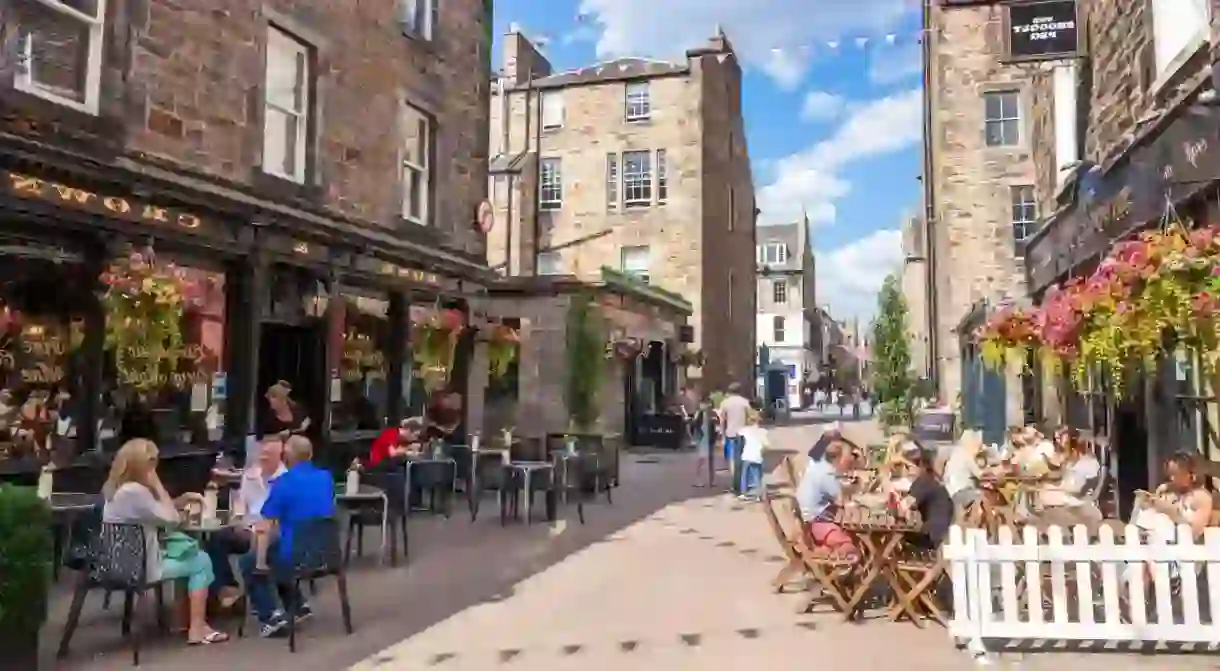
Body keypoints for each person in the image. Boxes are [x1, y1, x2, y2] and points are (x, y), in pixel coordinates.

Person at [102, 439, 229, 645]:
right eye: (152, 463)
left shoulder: (115, 488)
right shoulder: (136, 491)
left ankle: (182, 620)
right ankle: (198, 628)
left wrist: (180, 500)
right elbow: (171, 519)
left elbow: (153, 512)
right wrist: (156, 483)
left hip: (116, 561)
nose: (156, 467)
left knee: (187, 555)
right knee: (201, 560)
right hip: (139, 566)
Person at [239, 436, 335, 637]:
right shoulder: (326, 477)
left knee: (250, 561)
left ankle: (270, 616)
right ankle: (298, 606)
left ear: (287, 456)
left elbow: (265, 525)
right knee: (280, 552)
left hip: (297, 556)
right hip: (327, 553)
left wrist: (260, 561)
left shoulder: (283, 484)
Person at [204, 438, 286, 609]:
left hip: (274, 531)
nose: (264, 458)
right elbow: (242, 503)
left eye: (268, 455)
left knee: (255, 553)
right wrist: (238, 518)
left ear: (280, 456)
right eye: (262, 454)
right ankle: (228, 589)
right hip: (249, 528)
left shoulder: (285, 478)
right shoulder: (250, 476)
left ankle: (265, 605)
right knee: (217, 538)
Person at [794, 439, 860, 559]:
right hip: (816, 525)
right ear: (838, 458)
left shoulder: (819, 467)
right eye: (847, 456)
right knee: (851, 545)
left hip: (808, 521)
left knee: (853, 534)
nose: (849, 459)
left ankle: (828, 554)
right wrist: (854, 488)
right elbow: (842, 501)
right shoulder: (827, 474)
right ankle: (830, 558)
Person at [1035, 432, 1104, 528]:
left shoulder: (1090, 464)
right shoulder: (1071, 460)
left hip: (1078, 503)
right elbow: (1061, 474)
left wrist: (1060, 489)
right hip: (1066, 500)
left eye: (1069, 444)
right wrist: (1044, 477)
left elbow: (1081, 489)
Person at [900, 445, 954, 550]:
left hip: (932, 537)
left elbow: (904, 506)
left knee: (897, 536)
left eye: (908, 467)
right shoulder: (932, 480)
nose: (906, 471)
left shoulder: (923, 482)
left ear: (921, 465)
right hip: (943, 536)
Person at [717, 382, 751, 491]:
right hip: (744, 433)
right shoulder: (745, 402)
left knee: (731, 460)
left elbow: (722, 420)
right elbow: (750, 418)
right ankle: (742, 483)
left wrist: (722, 435)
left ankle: (734, 484)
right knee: (742, 458)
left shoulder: (725, 403)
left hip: (730, 434)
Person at [943, 430, 985, 510]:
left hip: (950, 492)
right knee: (983, 496)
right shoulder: (967, 455)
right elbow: (980, 475)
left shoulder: (954, 453)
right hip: (962, 491)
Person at [738, 411, 769, 501]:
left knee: (745, 475)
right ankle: (758, 495)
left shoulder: (746, 430)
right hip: (757, 456)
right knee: (757, 476)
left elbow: (738, 432)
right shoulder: (763, 432)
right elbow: (767, 445)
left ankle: (744, 493)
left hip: (747, 455)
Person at [691, 400, 718, 487]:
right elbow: (694, 425)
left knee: (710, 460)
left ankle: (711, 480)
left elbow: (717, 425)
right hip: (702, 439)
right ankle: (699, 480)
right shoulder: (699, 413)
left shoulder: (712, 413)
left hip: (709, 438)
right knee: (701, 460)